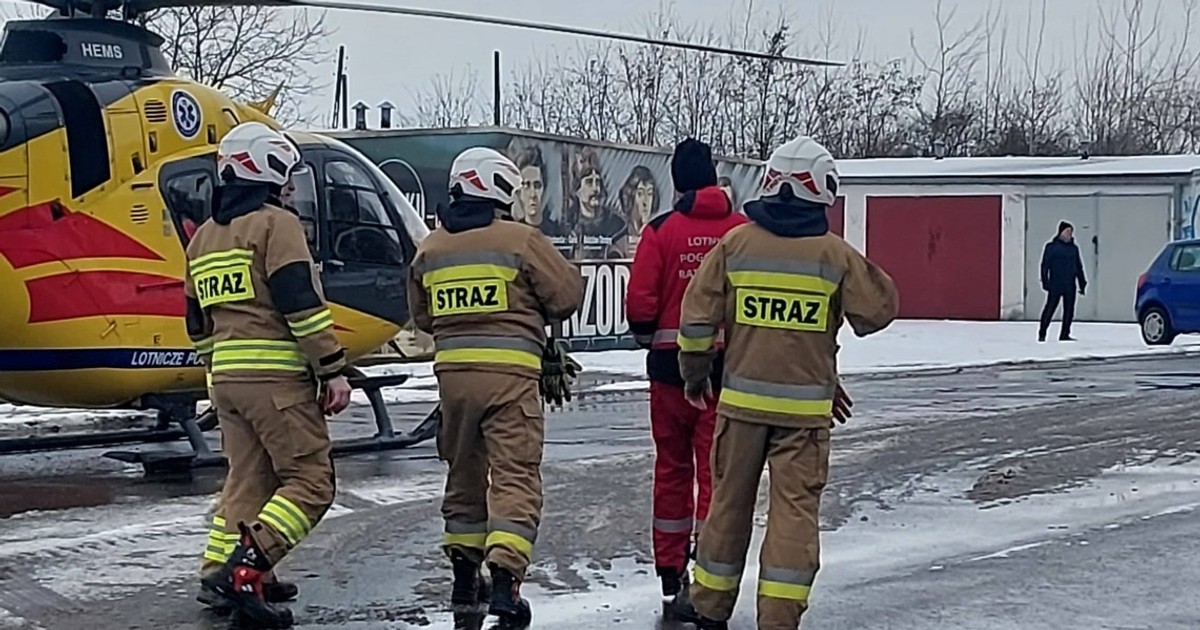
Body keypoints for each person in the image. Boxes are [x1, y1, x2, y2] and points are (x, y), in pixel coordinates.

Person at [670, 135, 899, 629]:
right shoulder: (833, 256)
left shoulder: (735, 245)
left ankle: (709, 608)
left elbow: (695, 320)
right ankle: (778, 617)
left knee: (728, 505)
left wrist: (694, 375)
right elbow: (879, 308)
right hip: (803, 417)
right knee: (794, 515)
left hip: (740, 408)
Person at [407, 147, 583, 629]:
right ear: (501, 189)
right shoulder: (520, 240)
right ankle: (505, 582)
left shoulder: (431, 248)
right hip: (510, 383)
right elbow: (565, 297)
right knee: (514, 476)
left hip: (453, 384)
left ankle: (466, 581)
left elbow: (422, 316)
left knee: (463, 476)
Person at [186, 121, 352, 629]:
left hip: (230, 382)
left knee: (249, 480)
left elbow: (196, 323)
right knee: (311, 481)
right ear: (266, 167)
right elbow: (299, 301)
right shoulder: (275, 225)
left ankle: (218, 571)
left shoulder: (204, 238)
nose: (287, 187)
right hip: (277, 380)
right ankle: (245, 569)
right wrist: (332, 368)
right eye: (284, 176)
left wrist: (217, 372)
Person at [625, 138, 747, 614]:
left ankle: (670, 575)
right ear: (713, 177)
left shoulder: (660, 231)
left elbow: (640, 308)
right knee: (716, 474)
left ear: (676, 182)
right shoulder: (741, 231)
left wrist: (649, 335)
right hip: (726, 374)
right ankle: (709, 573)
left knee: (671, 471)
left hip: (669, 376)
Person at [1038, 221, 1087, 342]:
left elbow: (1078, 266)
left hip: (1070, 284)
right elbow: (1045, 265)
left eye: (1071, 232)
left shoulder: (1073, 249)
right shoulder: (1051, 247)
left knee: (1069, 310)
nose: (1069, 234)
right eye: (1067, 231)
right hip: (1056, 284)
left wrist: (1082, 282)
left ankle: (1065, 333)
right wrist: (1045, 281)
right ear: (1061, 232)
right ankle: (1042, 332)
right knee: (1050, 309)